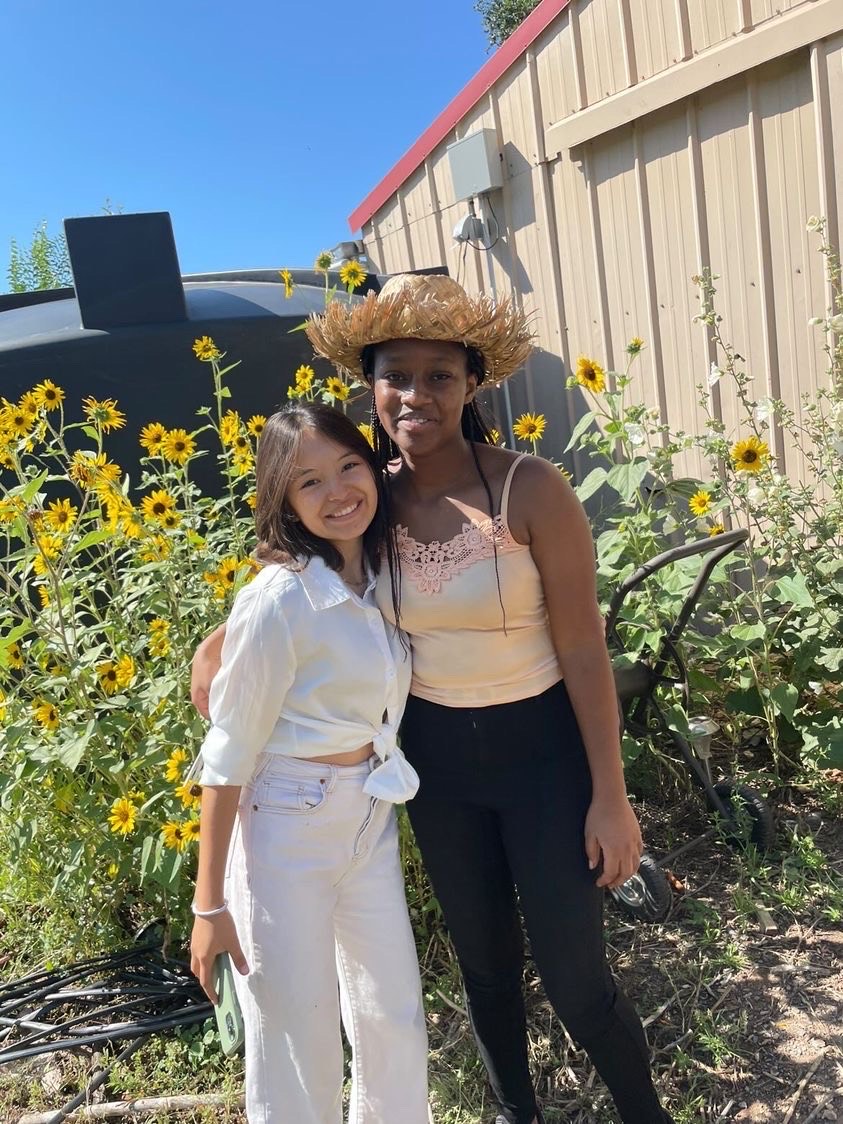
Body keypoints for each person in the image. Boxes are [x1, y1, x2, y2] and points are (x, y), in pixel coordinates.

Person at [193, 275, 673, 1124]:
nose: (416, 394)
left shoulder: (530, 489)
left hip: (544, 759)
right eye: (396, 375)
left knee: (575, 979)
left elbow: (582, 650)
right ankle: (513, 1111)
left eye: (439, 375)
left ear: (471, 384)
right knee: (484, 965)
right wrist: (226, 645)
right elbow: (290, 586)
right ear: (370, 387)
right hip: (435, 766)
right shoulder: (365, 496)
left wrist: (611, 797)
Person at [189, 402, 429, 1124]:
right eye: (309, 483)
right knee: (299, 1037)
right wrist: (208, 907)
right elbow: (226, 754)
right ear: (284, 502)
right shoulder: (279, 599)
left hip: (368, 814)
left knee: (391, 1013)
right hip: (286, 826)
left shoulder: (381, 574)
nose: (337, 493)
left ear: (373, 465)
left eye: (348, 466)